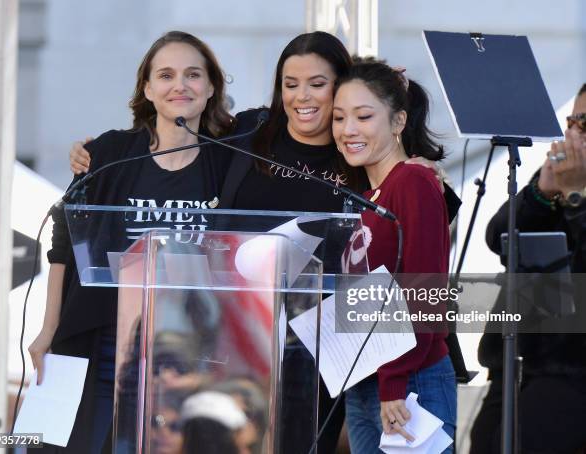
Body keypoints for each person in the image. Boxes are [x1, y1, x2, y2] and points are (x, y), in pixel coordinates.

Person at [67, 31, 462, 452]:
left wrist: (428, 169)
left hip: (333, 351)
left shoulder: (356, 151)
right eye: (290, 84)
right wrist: (102, 152)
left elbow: (417, 232)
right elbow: (178, 139)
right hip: (243, 340)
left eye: (318, 83)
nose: (302, 97)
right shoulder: (251, 131)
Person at [28, 31, 233, 453]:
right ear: (147, 88)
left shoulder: (231, 162)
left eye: (193, 74)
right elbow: (66, 239)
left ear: (211, 87)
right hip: (105, 340)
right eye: (166, 75)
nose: (181, 85)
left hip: (190, 356)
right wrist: (48, 328)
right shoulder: (109, 153)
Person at [332, 58, 457, 453]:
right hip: (368, 380)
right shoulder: (370, 197)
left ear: (399, 121)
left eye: (363, 116)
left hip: (409, 380)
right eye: (338, 118)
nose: (348, 130)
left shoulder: (413, 181)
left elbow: (424, 290)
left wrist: (395, 382)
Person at [470, 84, 586, 454]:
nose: (571, 135)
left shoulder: (575, 184)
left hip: (570, 371)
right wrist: (542, 191)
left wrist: (574, 196)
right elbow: (499, 237)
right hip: (514, 359)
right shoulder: (564, 174)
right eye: (571, 122)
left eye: (584, 126)